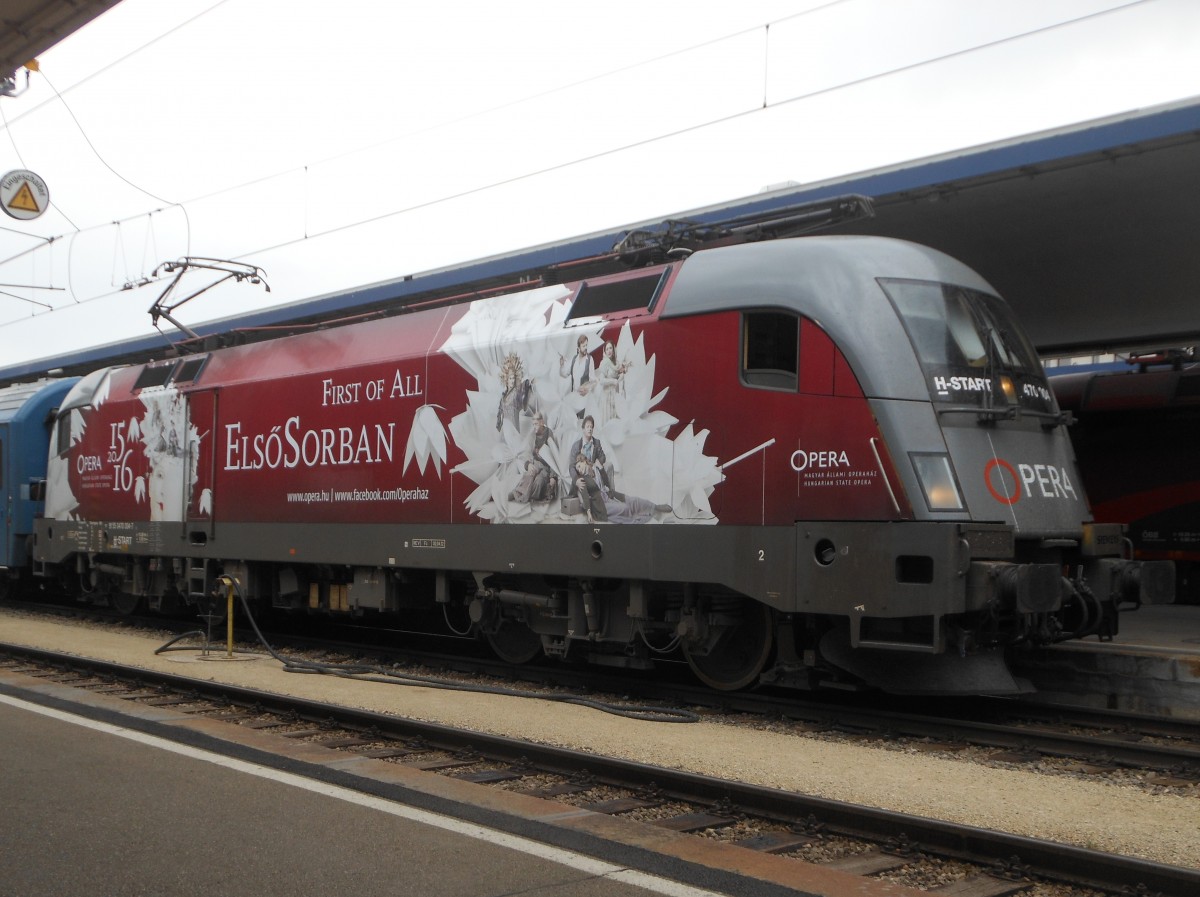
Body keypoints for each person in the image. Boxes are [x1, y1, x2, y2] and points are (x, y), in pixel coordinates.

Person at [572, 454, 666, 524]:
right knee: (625, 508)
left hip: (609, 494)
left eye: (579, 466)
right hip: (600, 503)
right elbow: (584, 496)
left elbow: (607, 484)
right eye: (577, 469)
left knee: (633, 500)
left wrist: (601, 468)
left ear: (584, 461)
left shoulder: (596, 468)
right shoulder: (581, 479)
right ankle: (642, 517)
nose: (579, 470)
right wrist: (589, 513)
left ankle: (655, 507)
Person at [566, 415, 607, 496]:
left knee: (606, 468)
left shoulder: (596, 443)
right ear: (583, 429)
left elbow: (603, 457)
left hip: (593, 473)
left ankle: (606, 492)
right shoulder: (576, 445)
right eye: (587, 427)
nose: (590, 429)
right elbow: (571, 466)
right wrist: (576, 479)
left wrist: (598, 462)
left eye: (591, 427)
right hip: (582, 475)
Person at [558, 334, 594, 417]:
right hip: (574, 398)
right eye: (583, 346)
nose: (585, 348)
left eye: (586, 345)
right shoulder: (573, 359)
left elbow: (592, 380)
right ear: (578, 348)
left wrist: (587, 390)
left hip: (585, 399)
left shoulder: (590, 359)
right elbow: (564, 374)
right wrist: (562, 365)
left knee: (583, 422)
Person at [596, 340, 629, 425]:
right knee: (608, 420)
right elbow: (601, 380)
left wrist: (622, 375)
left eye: (610, 348)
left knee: (616, 419)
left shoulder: (617, 363)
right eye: (607, 349)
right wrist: (613, 381)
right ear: (605, 352)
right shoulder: (604, 363)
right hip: (607, 396)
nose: (609, 350)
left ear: (613, 350)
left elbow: (619, 376)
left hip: (615, 395)